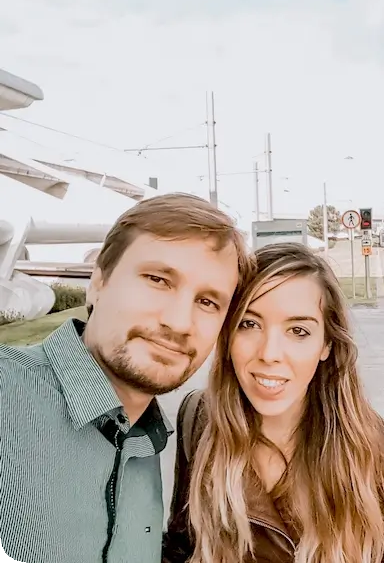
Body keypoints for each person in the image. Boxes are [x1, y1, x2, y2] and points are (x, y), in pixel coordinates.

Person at [1, 193, 253, 563]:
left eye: (207, 302)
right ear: (99, 282)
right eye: (158, 279)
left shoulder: (148, 440)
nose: (179, 323)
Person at [163, 243, 384, 563]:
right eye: (249, 323)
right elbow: (180, 546)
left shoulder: (382, 452)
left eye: (298, 330)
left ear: (326, 343)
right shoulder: (200, 419)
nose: (270, 353)